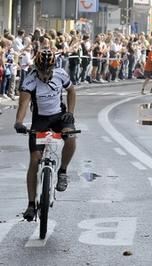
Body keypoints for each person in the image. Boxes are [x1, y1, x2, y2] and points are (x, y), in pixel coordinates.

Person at [14, 49, 77, 221]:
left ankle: (62, 171)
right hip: (40, 120)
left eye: (48, 69)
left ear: (53, 67)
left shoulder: (61, 74)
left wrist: (70, 113)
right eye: (42, 70)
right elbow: (23, 104)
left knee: (71, 136)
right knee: (34, 160)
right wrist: (19, 122)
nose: (45, 73)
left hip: (59, 116)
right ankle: (30, 204)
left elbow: (72, 91)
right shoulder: (30, 80)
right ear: (36, 67)